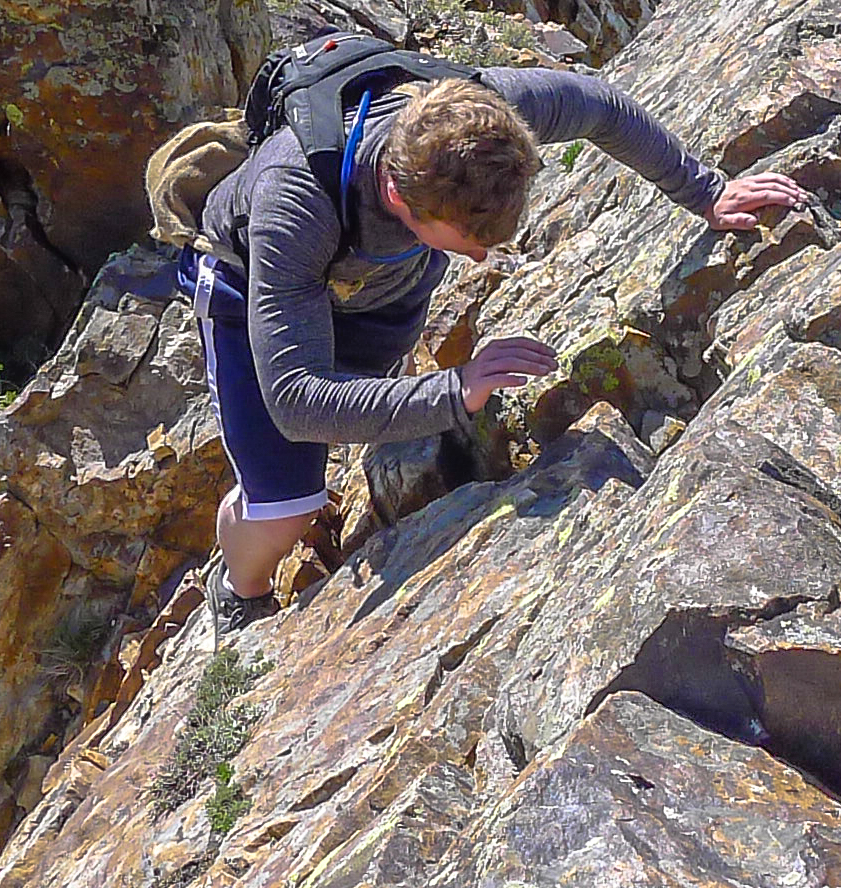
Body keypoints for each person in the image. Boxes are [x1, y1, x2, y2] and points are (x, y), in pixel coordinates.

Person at [194, 62, 806, 626]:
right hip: (249, 288)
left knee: (370, 407)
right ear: (400, 197)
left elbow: (600, 106)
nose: (484, 255)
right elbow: (298, 403)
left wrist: (705, 192)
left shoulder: (480, 122)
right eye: (468, 238)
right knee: (286, 510)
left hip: (380, 287)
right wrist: (455, 389)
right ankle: (238, 591)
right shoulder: (294, 203)